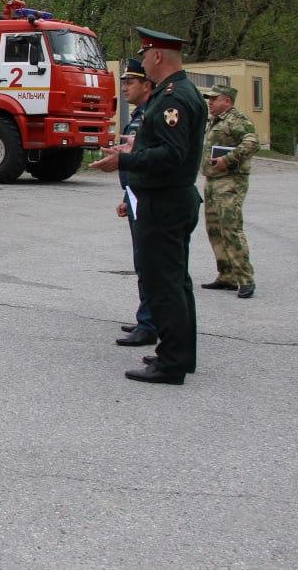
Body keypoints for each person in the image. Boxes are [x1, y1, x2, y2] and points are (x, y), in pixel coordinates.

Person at [90, 27, 207, 385]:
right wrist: (134, 147)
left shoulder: (173, 98)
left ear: (157, 56)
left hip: (165, 200)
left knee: (165, 284)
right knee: (176, 282)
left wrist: (126, 160)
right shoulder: (179, 93)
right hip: (171, 198)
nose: (142, 62)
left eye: (145, 54)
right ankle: (178, 354)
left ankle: (171, 362)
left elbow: (172, 155)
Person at [200, 84, 260, 299]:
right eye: (209, 99)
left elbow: (252, 142)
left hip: (231, 181)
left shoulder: (237, 120)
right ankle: (226, 275)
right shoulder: (215, 121)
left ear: (227, 100)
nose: (210, 102)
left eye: (214, 99)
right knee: (214, 229)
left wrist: (228, 159)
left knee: (231, 228)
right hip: (213, 180)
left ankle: (245, 279)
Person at [115, 58, 157, 346]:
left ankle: (151, 323)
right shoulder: (139, 114)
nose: (125, 87)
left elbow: (149, 159)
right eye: (124, 82)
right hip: (135, 194)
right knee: (142, 260)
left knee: (149, 260)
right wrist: (126, 196)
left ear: (147, 85)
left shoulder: (152, 115)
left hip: (148, 197)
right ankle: (146, 317)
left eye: (130, 82)